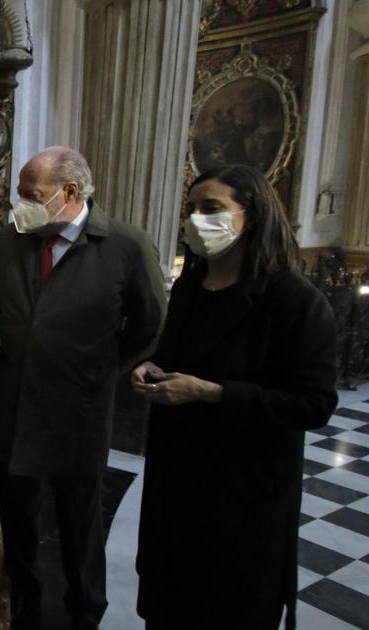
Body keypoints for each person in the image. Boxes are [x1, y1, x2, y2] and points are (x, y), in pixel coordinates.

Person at [0, 146, 166, 629]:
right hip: (14, 406)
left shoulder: (125, 245)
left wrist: (101, 367)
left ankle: (85, 609)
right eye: (20, 195)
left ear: (69, 192)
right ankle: (24, 595)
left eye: (32, 195)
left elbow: (150, 323)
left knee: (78, 523)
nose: (21, 206)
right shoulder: (14, 238)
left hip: (75, 413)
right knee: (18, 516)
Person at [132, 165, 337, 629]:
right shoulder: (190, 288)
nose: (196, 218)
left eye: (211, 208)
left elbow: (313, 403)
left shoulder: (295, 300)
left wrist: (213, 394)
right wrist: (150, 370)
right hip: (175, 490)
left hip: (243, 498)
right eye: (190, 208)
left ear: (253, 215)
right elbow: (174, 357)